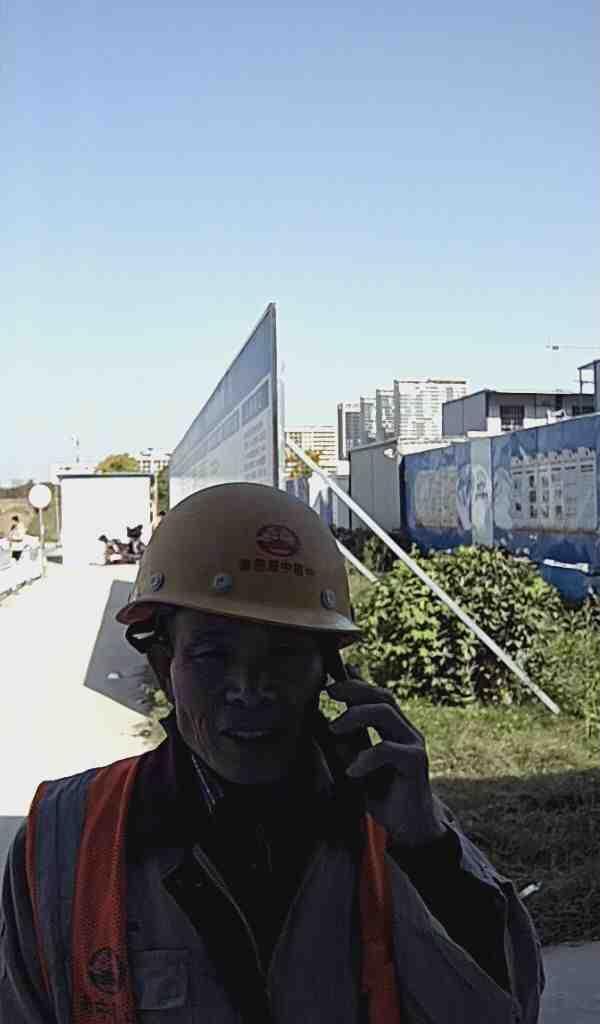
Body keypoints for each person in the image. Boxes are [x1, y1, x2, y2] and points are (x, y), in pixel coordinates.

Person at [0, 483, 544, 1023]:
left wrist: (429, 852)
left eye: (284, 654)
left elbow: (505, 1012)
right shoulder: (65, 840)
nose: (250, 688)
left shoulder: (394, 827)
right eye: (212, 654)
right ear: (165, 667)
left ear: (330, 674)